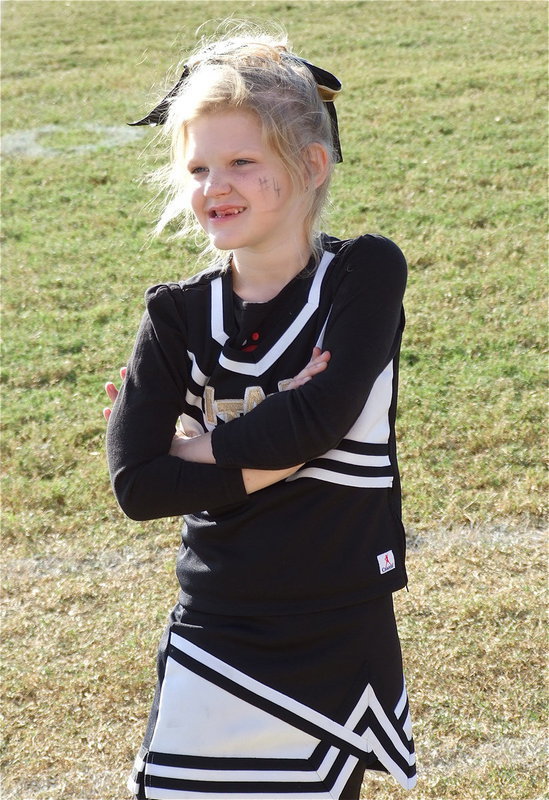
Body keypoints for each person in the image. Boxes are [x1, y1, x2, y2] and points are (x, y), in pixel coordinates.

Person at [105, 27, 417, 800]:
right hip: (218, 618)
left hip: (335, 610)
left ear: (310, 166)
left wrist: (200, 449)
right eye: (200, 166)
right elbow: (137, 489)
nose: (216, 184)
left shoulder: (362, 275)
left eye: (243, 161)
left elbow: (320, 422)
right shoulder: (176, 315)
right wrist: (279, 437)